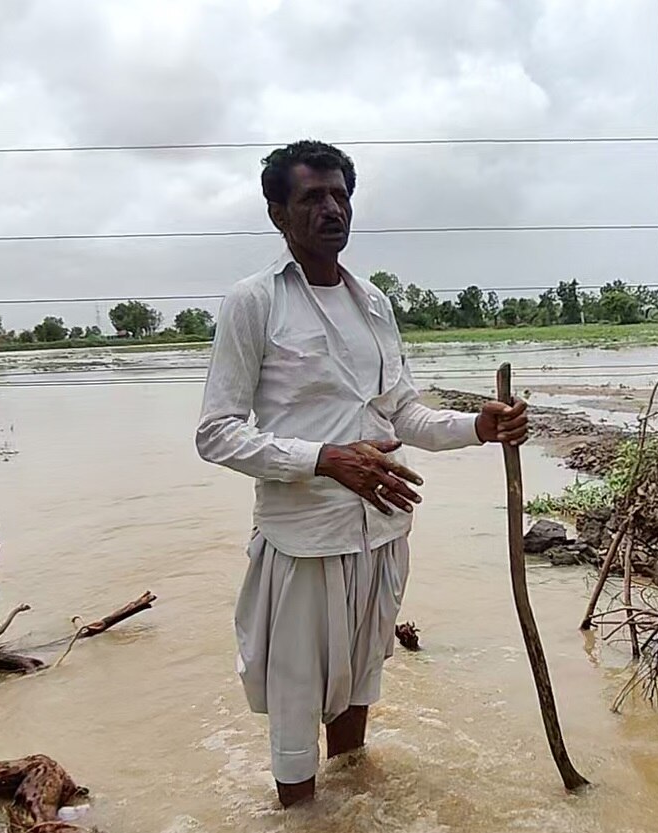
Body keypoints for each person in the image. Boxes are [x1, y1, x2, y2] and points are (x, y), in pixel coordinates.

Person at [196, 140, 529, 806]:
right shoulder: (254, 302)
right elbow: (217, 433)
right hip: (304, 538)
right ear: (277, 213)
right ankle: (299, 814)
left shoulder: (373, 302)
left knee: (359, 679)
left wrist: (476, 427)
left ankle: (351, 807)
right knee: (296, 695)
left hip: (381, 528)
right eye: (311, 197)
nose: (330, 209)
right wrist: (325, 458)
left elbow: (401, 412)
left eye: (340, 195)